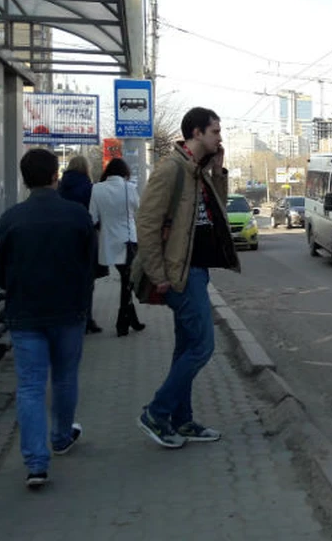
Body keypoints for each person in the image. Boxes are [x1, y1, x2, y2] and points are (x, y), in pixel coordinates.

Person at [0, 148, 95, 488]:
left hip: (25, 315)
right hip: (69, 312)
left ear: (24, 178)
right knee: (64, 378)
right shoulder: (77, 216)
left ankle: (36, 464)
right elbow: (90, 265)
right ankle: (61, 437)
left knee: (31, 387)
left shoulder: (9, 219)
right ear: (55, 176)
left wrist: (17, 287)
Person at [135, 107, 239, 449]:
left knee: (185, 349)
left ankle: (181, 420)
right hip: (181, 274)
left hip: (197, 271)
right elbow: (147, 224)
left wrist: (218, 170)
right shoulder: (171, 170)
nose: (219, 137)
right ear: (196, 133)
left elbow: (217, 212)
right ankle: (156, 412)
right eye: (215, 131)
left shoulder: (198, 171)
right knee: (202, 346)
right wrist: (158, 274)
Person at [90, 158, 144, 337]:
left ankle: (132, 320)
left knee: (127, 279)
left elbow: (93, 217)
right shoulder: (129, 188)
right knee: (127, 280)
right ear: (124, 172)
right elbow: (138, 208)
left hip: (108, 241)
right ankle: (122, 322)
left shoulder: (97, 188)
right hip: (128, 240)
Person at [58, 155, 102, 335]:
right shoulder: (89, 188)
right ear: (86, 168)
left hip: (61, 237)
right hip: (84, 235)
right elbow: (95, 214)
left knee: (65, 277)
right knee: (86, 278)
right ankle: (86, 318)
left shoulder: (60, 187)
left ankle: (66, 314)